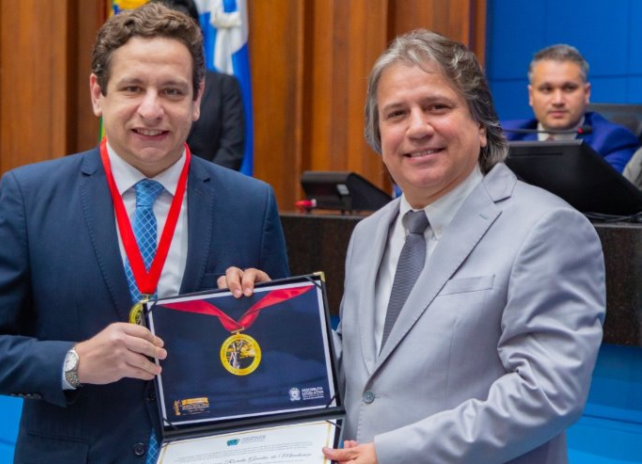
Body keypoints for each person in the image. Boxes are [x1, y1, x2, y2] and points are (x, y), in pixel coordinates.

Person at [222, 30, 605, 463]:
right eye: (397, 114)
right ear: (378, 136)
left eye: (437, 107)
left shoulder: (547, 228)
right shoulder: (368, 234)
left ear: (481, 125)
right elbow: (362, 372)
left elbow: (546, 394)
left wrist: (392, 454)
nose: (418, 128)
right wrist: (272, 315)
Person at [0, 3, 288, 463]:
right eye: (132, 88)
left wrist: (266, 313)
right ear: (98, 94)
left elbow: (282, 359)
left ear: (197, 99)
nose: (152, 109)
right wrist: (73, 362)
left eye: (172, 90)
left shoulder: (250, 204)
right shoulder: (31, 196)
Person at [501, 44, 638, 173]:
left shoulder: (613, 141)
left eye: (569, 88)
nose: (558, 101)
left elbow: (608, 189)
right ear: (531, 95)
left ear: (586, 93)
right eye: (547, 89)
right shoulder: (505, 136)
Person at [157, 0, 246, 171]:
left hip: (210, 183)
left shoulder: (224, 86)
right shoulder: (137, 87)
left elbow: (231, 150)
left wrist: (198, 182)